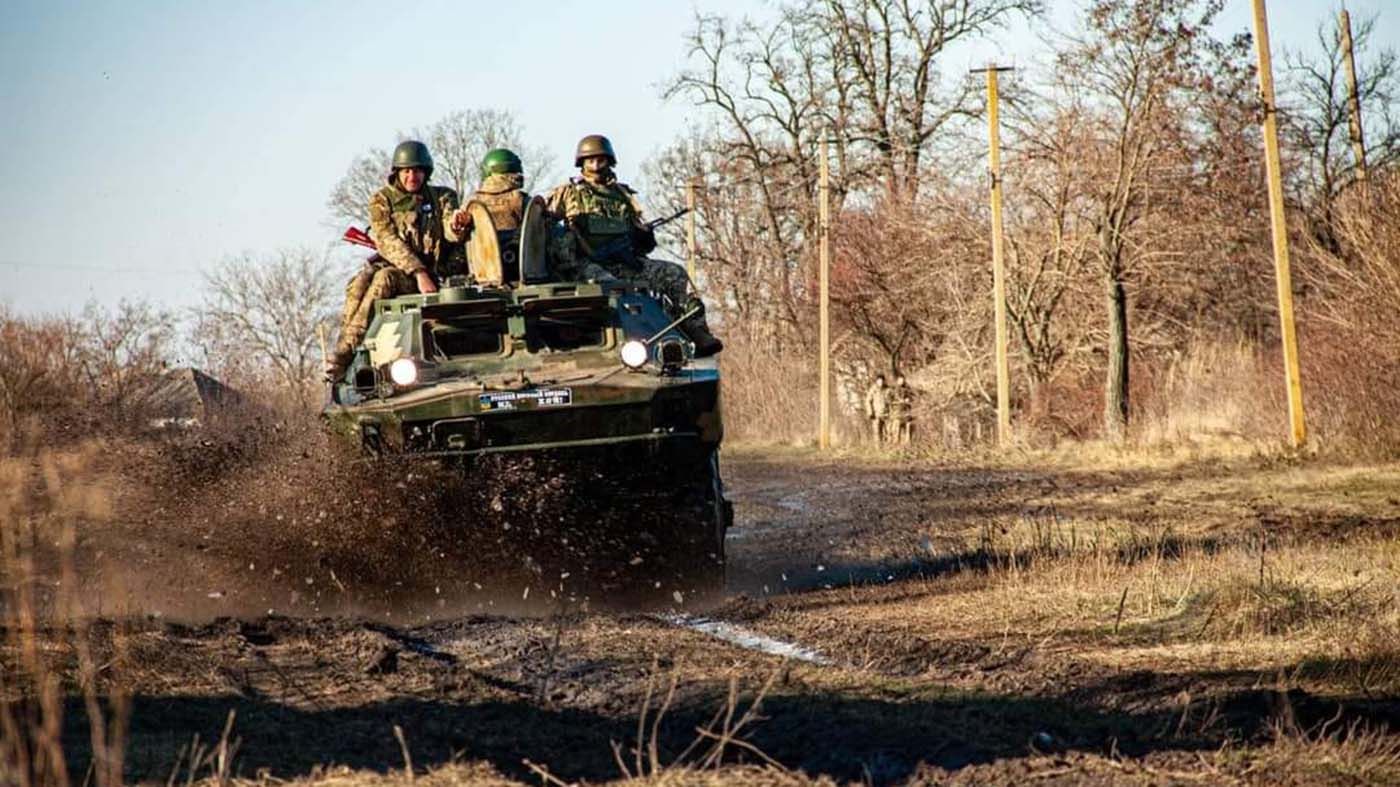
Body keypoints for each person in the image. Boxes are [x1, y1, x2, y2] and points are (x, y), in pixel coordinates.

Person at [546, 134, 723, 357]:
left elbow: (642, 243)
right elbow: (544, 224)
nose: (596, 165)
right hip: (585, 265)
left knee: (674, 273)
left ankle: (696, 332)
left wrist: (643, 236)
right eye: (590, 160)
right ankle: (626, 346)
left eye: (601, 160)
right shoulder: (568, 193)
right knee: (615, 289)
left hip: (624, 262)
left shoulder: (623, 195)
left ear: (610, 161)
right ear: (581, 163)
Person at [327, 140, 463, 380]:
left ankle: (344, 354)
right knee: (358, 284)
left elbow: (450, 230)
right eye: (407, 171)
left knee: (384, 279)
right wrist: (417, 272)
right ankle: (344, 352)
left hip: (434, 274)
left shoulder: (442, 197)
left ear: (426, 172)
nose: (412, 176)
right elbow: (387, 240)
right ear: (397, 172)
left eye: (418, 170)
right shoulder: (382, 200)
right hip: (410, 272)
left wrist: (457, 225)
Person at [449, 147, 529, 252]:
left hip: (481, 265)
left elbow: (455, 236)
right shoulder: (521, 200)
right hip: (518, 264)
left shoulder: (471, 203)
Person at [864, 375, 890, 444]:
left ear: (884, 381)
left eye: (882, 381)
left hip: (886, 414)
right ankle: (878, 449)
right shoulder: (873, 389)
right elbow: (868, 401)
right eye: (879, 381)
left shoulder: (888, 390)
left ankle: (887, 449)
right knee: (877, 432)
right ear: (877, 381)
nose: (881, 382)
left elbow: (892, 401)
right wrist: (870, 412)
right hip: (876, 414)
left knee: (888, 432)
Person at [890, 374, 914, 445]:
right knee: (897, 431)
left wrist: (908, 399)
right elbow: (890, 400)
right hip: (897, 412)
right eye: (900, 380)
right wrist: (898, 402)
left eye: (903, 379)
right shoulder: (893, 390)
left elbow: (912, 398)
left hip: (907, 412)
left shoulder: (908, 389)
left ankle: (907, 446)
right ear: (897, 381)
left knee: (908, 430)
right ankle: (896, 446)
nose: (902, 381)